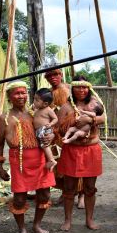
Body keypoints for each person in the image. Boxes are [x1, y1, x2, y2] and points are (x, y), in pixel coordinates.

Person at [0, 81, 56, 233]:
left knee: (44, 194)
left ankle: (36, 225)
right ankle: (22, 229)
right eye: (17, 93)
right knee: (20, 198)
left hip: (39, 158)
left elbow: (48, 129)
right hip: (19, 160)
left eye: (23, 92)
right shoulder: (4, 118)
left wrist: (52, 136)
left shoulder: (36, 113)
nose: (21, 96)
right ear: (9, 97)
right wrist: (0, 166)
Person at [56, 76, 106, 231]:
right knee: (69, 187)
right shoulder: (66, 107)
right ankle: (67, 220)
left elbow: (102, 118)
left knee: (90, 187)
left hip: (91, 150)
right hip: (72, 150)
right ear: (73, 89)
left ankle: (89, 219)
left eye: (84, 87)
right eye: (78, 87)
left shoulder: (95, 104)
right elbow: (58, 127)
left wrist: (90, 120)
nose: (81, 90)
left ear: (88, 88)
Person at [44, 68, 85, 208]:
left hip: (72, 132)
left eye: (55, 74)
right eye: (49, 76)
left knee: (78, 165)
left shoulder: (71, 89)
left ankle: (82, 195)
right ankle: (66, 193)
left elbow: (80, 107)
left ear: (61, 75)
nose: (53, 77)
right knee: (61, 167)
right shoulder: (48, 94)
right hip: (56, 134)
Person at [33, 88, 58, 171]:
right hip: (39, 130)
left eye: (37, 100)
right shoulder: (37, 109)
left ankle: (51, 160)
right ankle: (49, 160)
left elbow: (55, 119)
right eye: (34, 99)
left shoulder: (48, 110)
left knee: (44, 145)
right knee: (42, 146)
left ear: (45, 104)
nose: (34, 101)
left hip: (44, 129)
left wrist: (50, 124)